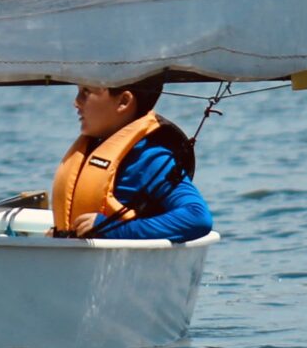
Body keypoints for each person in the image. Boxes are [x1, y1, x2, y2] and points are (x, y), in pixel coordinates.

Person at [50, 74, 212, 241]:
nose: (76, 102)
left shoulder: (149, 159)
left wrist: (113, 230)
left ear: (124, 101)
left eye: (86, 91)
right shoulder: (90, 149)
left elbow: (197, 218)